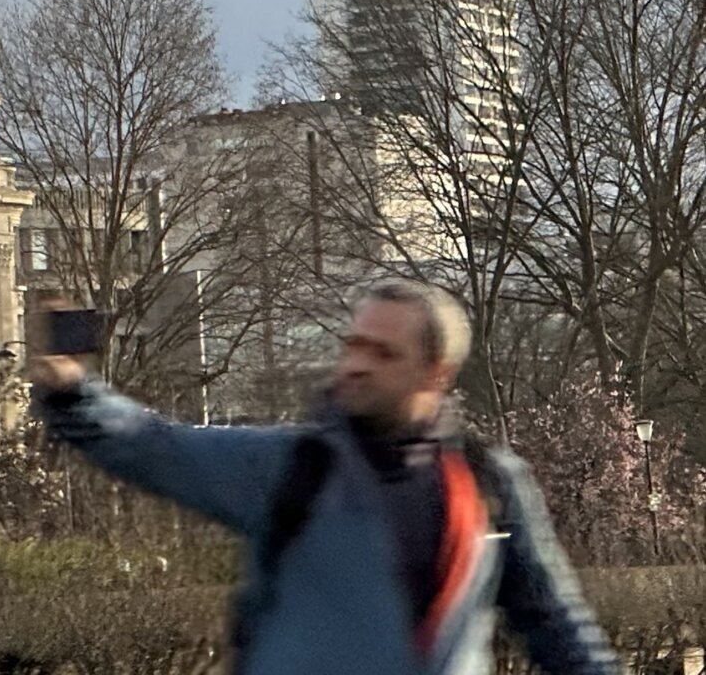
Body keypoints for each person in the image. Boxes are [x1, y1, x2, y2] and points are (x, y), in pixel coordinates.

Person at [31, 281, 619, 675]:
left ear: (435, 374)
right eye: (355, 344)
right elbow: (157, 448)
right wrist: (75, 394)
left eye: (383, 352)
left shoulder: (490, 483)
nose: (357, 362)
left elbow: (555, 626)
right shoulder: (291, 466)